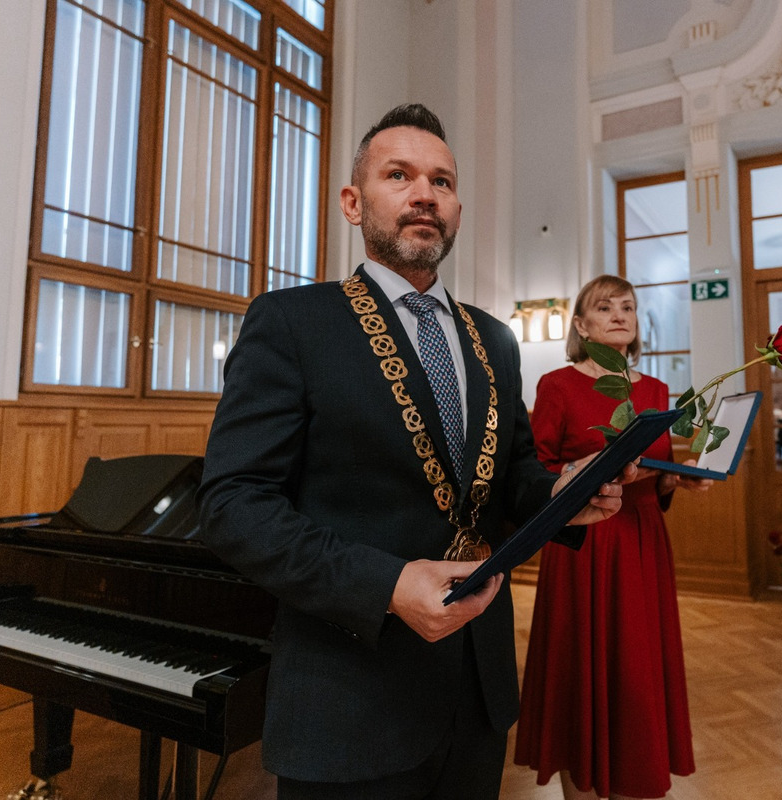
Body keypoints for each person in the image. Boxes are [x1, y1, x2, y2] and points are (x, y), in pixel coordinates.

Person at [198, 104, 633, 800]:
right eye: (398, 175)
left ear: (456, 210)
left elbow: (513, 474)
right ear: (353, 202)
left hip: (477, 691)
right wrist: (387, 586)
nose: (424, 193)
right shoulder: (293, 322)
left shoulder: (495, 340)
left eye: (442, 181)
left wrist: (563, 493)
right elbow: (233, 505)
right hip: (349, 696)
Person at [514, 275, 711, 800]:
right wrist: (585, 469)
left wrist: (677, 479)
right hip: (583, 542)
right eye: (605, 307)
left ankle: (632, 773)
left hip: (643, 541)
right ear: (581, 326)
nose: (620, 314)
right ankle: (580, 779)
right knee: (579, 669)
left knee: (637, 670)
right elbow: (537, 470)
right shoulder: (557, 385)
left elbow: (657, 469)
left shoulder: (656, 391)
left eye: (628, 306)